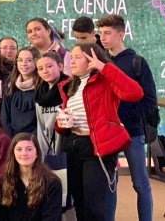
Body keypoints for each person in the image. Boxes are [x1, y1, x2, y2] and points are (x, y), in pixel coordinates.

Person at [45, 42, 142, 221]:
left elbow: (135, 93)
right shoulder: (69, 86)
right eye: (71, 57)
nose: (71, 61)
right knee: (79, 203)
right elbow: (64, 127)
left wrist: (104, 67)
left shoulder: (105, 80)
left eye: (77, 57)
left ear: (92, 59)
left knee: (94, 207)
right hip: (74, 146)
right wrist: (61, 123)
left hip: (98, 148)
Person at [96, 13, 157, 221]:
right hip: (108, 133)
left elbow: (149, 101)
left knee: (140, 183)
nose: (102, 38)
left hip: (132, 132)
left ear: (120, 34)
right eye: (100, 33)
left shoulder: (137, 62)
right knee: (109, 184)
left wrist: (126, 117)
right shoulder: (101, 62)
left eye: (107, 33)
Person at [0, 133, 62, 221]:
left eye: (29, 149)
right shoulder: (7, 179)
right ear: (13, 153)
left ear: (37, 153)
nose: (24, 153)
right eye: (19, 149)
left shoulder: (52, 183)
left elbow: (52, 218)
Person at [33, 52, 68, 205]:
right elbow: (41, 125)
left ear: (60, 66)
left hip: (65, 151)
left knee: (66, 198)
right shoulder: (39, 91)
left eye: (49, 66)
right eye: (40, 68)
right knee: (49, 196)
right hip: (46, 151)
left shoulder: (70, 88)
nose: (45, 71)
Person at [0, 48, 39, 137]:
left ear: (36, 62)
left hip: (34, 139)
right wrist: (12, 138)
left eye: (29, 60)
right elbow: (5, 117)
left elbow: (42, 121)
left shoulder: (42, 87)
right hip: (12, 138)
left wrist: (32, 139)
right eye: (20, 60)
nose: (24, 64)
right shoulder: (10, 86)